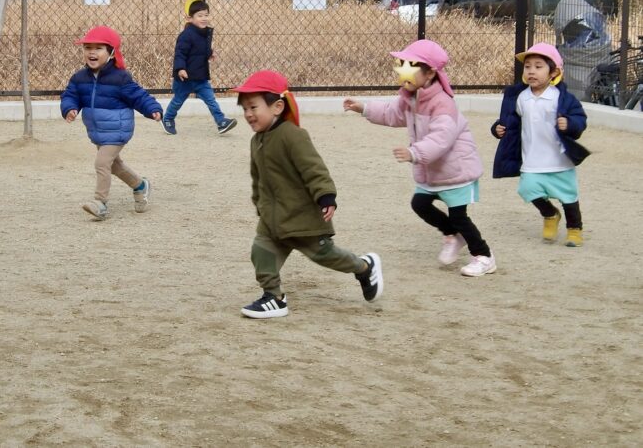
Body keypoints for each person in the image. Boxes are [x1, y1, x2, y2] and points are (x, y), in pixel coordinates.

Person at [234, 70, 382, 319]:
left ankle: (364, 267)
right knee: (261, 253)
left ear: (277, 106)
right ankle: (274, 297)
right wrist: (259, 203)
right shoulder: (257, 141)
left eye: (253, 107)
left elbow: (314, 168)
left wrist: (326, 196)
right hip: (273, 220)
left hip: (302, 218)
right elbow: (257, 177)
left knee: (326, 255)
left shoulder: (292, 135)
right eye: (245, 109)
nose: (248, 114)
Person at [344, 39, 496, 277]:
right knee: (420, 204)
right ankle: (453, 235)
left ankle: (484, 256)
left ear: (430, 73)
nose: (402, 71)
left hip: (455, 170)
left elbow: (441, 138)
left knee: (459, 216)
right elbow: (392, 114)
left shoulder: (442, 103)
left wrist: (415, 153)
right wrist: (364, 108)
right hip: (433, 170)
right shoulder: (410, 97)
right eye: (401, 65)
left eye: (410, 66)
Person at [61, 25, 163, 221]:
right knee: (114, 166)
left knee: (101, 162)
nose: (92, 52)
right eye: (88, 48)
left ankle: (100, 203)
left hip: (118, 130)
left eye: (98, 48)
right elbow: (70, 95)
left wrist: (153, 109)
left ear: (111, 53)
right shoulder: (79, 78)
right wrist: (69, 108)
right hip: (98, 131)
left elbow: (139, 96)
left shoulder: (120, 78)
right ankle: (141, 185)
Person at [492, 43, 589, 246]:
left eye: (538, 66)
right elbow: (510, 121)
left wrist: (570, 124)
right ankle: (550, 214)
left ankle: (574, 229)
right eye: (528, 67)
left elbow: (579, 118)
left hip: (559, 159)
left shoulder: (561, 98)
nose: (531, 71)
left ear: (554, 72)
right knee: (527, 189)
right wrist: (498, 128)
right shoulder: (520, 97)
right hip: (531, 158)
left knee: (568, 196)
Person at [161, 0, 237, 136]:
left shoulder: (205, 33)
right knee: (178, 101)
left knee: (211, 100)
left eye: (206, 15)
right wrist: (180, 69)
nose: (204, 18)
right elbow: (180, 53)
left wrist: (210, 53)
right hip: (185, 78)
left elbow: (200, 51)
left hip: (200, 77)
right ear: (190, 18)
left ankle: (221, 122)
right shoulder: (186, 35)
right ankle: (168, 119)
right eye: (200, 15)